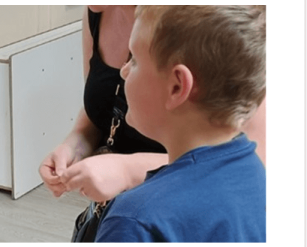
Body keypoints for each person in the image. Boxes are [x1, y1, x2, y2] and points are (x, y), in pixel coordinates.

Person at [38, 5, 266, 204]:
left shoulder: (220, 24)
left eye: (135, 62)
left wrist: (128, 170)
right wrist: (74, 146)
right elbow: (103, 106)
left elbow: (250, 161)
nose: (124, 71)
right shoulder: (97, 11)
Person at [95, 5, 265, 242]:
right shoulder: (257, 174)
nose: (123, 72)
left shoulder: (134, 220)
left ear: (177, 87)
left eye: (134, 59)